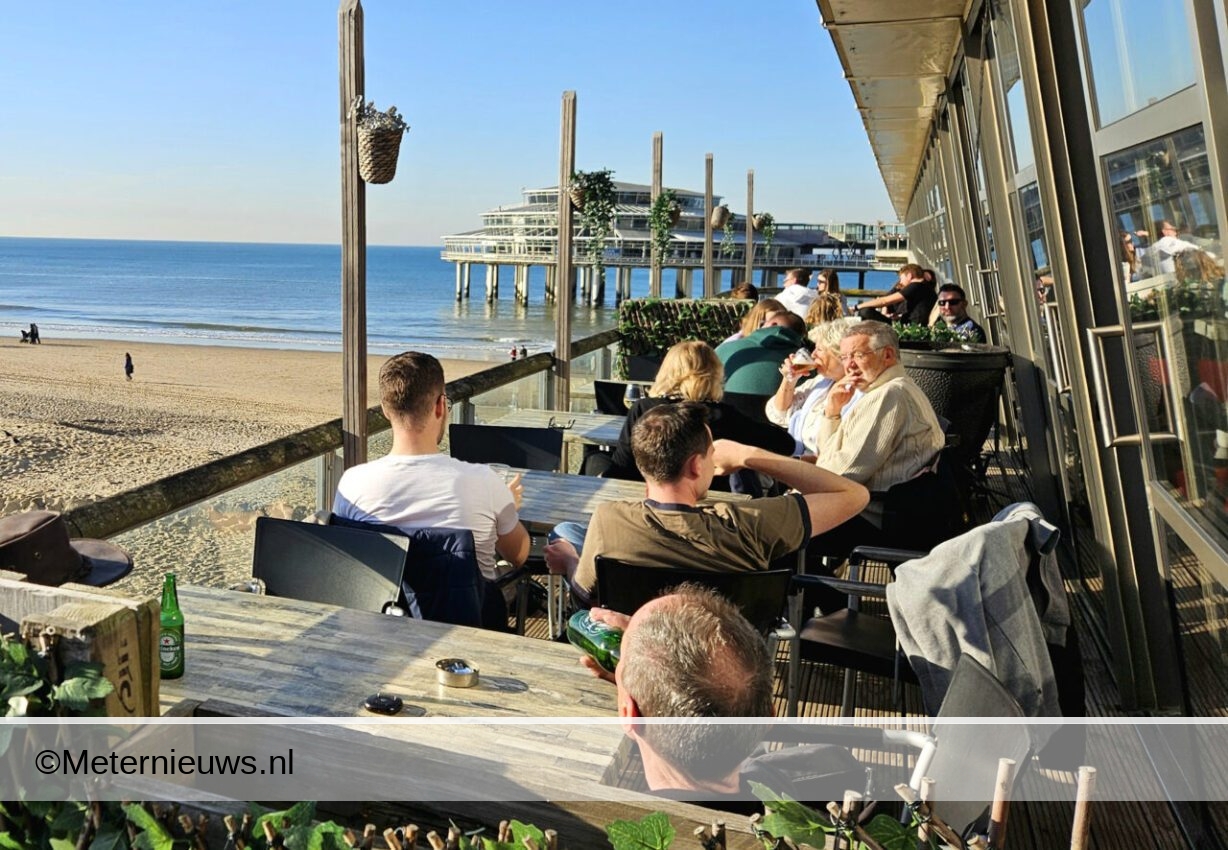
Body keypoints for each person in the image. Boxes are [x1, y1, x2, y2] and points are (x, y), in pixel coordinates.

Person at [544, 401, 869, 604]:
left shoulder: (610, 519)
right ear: (698, 466)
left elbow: (584, 594)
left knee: (568, 533)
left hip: (641, 656)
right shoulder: (751, 522)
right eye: (712, 454)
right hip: (728, 659)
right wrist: (747, 455)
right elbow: (854, 495)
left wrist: (571, 562)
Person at [581, 586, 865, 802]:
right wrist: (649, 680)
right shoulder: (779, 802)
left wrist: (640, 681)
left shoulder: (623, 833)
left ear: (628, 714)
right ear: (768, 717)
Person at [332, 351, 531, 597]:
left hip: (383, 623)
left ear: (385, 409)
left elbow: (345, 563)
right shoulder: (484, 481)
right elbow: (520, 555)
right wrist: (508, 507)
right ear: (440, 406)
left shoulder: (352, 483)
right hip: (468, 625)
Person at [807, 322, 945, 556]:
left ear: (888, 355)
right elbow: (832, 458)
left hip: (874, 516)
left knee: (777, 537)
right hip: (881, 509)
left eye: (858, 355)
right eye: (844, 357)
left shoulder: (889, 396)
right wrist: (832, 413)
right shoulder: (889, 389)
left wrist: (798, 483)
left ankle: (826, 593)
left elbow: (843, 474)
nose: (849, 365)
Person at [605, 340, 795, 487]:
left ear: (667, 372)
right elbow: (784, 444)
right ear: (715, 375)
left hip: (650, 498)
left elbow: (622, 466)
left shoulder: (644, 408)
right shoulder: (724, 415)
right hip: (713, 505)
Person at [766, 319, 854, 456]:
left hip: (820, 467)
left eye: (819, 350)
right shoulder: (822, 382)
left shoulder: (856, 391)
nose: (813, 355)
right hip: (800, 461)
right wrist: (789, 380)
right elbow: (779, 413)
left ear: (840, 355)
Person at [716, 310, 809, 397]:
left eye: (762, 323)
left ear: (773, 324)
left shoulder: (725, 348)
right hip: (776, 412)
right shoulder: (806, 365)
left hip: (723, 410)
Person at [856, 263, 935, 325]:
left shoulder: (916, 285)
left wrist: (857, 307)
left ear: (909, 276)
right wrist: (897, 316)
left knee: (865, 311)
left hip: (908, 328)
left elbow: (885, 301)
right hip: (908, 325)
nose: (900, 282)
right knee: (865, 311)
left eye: (901, 278)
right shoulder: (926, 288)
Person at [721, 297, 787, 344]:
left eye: (778, 326)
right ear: (756, 322)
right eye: (764, 323)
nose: (773, 329)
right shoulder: (734, 342)